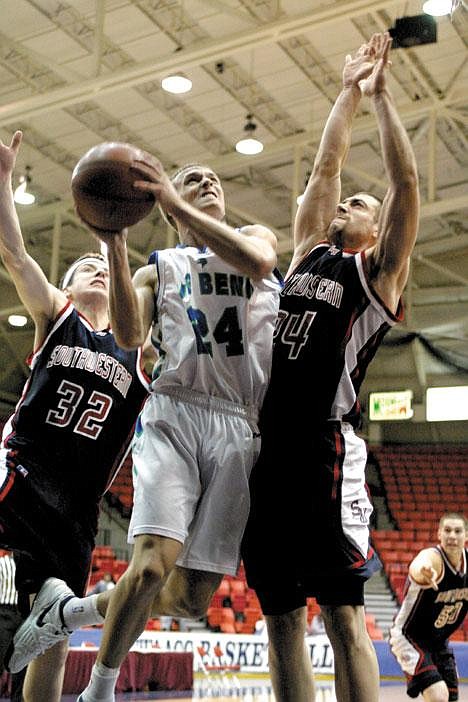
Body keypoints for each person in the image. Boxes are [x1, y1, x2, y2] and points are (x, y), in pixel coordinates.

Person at [9, 155, 281, 701]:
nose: (206, 182)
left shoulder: (253, 235)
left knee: (188, 599)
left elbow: (255, 262)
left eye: (213, 179)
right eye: (190, 179)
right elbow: (132, 338)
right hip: (175, 414)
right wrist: (113, 238)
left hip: (236, 425)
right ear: (163, 202)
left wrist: (174, 201)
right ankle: (100, 690)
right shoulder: (156, 269)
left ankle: (75, 612)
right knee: (152, 565)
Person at [241, 32, 420, 702]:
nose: (349, 203)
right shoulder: (308, 256)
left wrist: (380, 100)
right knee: (281, 619)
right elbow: (324, 171)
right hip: (270, 450)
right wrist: (344, 89)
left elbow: (404, 183)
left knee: (344, 613)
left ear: (375, 232)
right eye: (349, 202)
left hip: (324, 449)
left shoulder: (376, 276)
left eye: (360, 205)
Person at [0, 130, 151, 702]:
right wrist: (3, 183)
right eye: (83, 265)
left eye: (102, 267)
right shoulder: (56, 318)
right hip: (19, 477)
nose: (95, 269)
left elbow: (137, 323)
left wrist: (114, 243)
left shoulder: (138, 350)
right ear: (64, 288)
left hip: (76, 510)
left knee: (53, 638)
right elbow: (14, 253)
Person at [389, 513, 467, 702]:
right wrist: (423, 569)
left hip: (439, 642)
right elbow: (419, 564)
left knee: (451, 698)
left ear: (466, 536)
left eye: (458, 531)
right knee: (438, 695)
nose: (452, 536)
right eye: (447, 530)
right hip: (408, 636)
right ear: (439, 534)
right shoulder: (433, 558)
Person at [0, 552, 25, 702]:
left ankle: (18, 699)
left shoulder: (31, 566)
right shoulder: (2, 563)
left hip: (24, 613)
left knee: (22, 661)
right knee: (1, 654)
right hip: (4, 612)